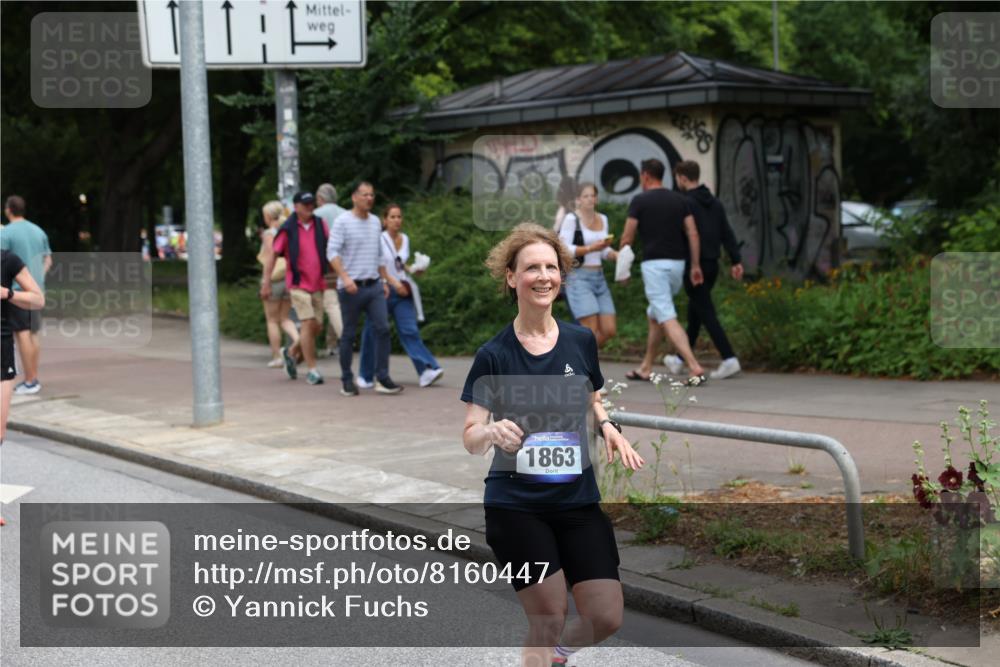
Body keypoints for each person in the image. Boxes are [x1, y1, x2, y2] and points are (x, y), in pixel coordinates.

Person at [461, 223, 644, 667]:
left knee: (605, 615)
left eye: (551, 267)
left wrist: (608, 427)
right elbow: (470, 434)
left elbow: (591, 396)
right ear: (510, 277)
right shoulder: (495, 354)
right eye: (531, 268)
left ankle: (556, 657)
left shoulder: (581, 340)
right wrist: (490, 433)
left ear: (561, 275)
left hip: (577, 501)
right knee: (549, 617)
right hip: (516, 506)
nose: (543, 276)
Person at [618, 159, 708, 385]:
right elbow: (693, 233)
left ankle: (693, 366)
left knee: (666, 315)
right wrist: (695, 265)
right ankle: (646, 367)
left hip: (654, 266)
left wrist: (623, 269)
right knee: (655, 314)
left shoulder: (640, 200)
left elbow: (627, 237)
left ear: (646, 176)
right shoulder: (680, 199)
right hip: (678, 266)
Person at [663, 160, 745, 380]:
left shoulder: (685, 203)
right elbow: (727, 233)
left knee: (706, 312)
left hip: (694, 266)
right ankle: (680, 360)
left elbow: (686, 235)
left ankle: (729, 358)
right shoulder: (715, 202)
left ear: (682, 177)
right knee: (696, 312)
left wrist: (691, 264)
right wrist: (736, 260)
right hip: (712, 265)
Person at [326, 182, 403, 396]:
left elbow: (379, 254)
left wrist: (384, 281)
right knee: (349, 335)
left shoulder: (376, 222)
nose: (369, 198)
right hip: (350, 288)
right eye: (364, 194)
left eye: (372, 194)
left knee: (383, 329)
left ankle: (383, 377)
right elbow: (332, 252)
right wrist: (344, 277)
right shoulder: (343, 221)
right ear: (354, 197)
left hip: (374, 286)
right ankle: (347, 379)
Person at [357, 204, 444, 389]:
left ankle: (427, 370)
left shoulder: (405, 239)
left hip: (402, 292)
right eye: (392, 217)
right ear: (385, 220)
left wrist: (414, 269)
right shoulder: (378, 239)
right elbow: (378, 266)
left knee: (409, 330)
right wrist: (393, 283)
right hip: (382, 290)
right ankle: (365, 375)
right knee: (372, 331)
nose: (397, 220)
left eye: (399, 216)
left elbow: (399, 264)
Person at [260, 191, 329, 386]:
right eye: (305, 204)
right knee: (307, 323)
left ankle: (290, 352)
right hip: (298, 284)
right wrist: (266, 283)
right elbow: (272, 256)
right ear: (296, 207)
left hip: (318, 283)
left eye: (311, 204)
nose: (310, 207)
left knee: (317, 326)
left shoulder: (320, 224)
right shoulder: (288, 228)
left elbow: (330, 249)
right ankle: (312, 370)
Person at [0, 195, 51, 395]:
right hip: (36, 291)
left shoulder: (7, 233)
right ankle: (33, 377)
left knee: (21, 334)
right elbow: (48, 260)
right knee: (34, 333)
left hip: (16, 291)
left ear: (9, 210)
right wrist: (38, 278)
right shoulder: (38, 230)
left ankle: (30, 380)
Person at [558, 182, 618, 347]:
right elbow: (563, 249)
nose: (590, 199)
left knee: (609, 329)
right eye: (586, 196)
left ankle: (574, 356)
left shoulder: (603, 219)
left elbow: (603, 250)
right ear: (578, 199)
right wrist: (591, 248)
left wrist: (613, 254)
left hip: (599, 277)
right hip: (579, 277)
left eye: (593, 196)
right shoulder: (571, 219)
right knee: (589, 330)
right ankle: (585, 364)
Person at [257, 201, 300, 368]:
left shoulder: (269, 234)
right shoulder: (289, 230)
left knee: (272, 320)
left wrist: (265, 282)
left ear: (268, 216)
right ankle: (298, 341)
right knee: (285, 318)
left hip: (273, 279)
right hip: (288, 278)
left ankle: (277, 357)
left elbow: (270, 256)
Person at [314, 183, 345, 357]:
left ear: (320, 199)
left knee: (331, 304)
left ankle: (344, 339)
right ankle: (331, 343)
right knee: (338, 303)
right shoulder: (345, 213)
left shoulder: (316, 215)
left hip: (324, 265)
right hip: (344, 264)